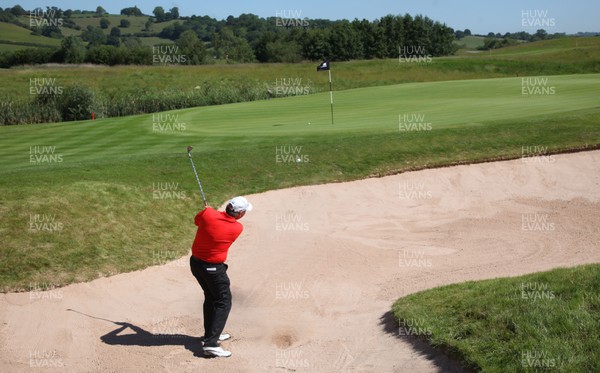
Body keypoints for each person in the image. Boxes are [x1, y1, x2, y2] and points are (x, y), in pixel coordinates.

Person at [189, 196, 252, 358]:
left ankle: (211, 334)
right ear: (239, 214)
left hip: (196, 265)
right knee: (223, 301)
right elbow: (217, 222)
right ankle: (211, 344)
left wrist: (207, 211)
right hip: (213, 270)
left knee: (210, 297)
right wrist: (209, 212)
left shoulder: (208, 215)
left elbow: (198, 221)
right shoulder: (237, 228)